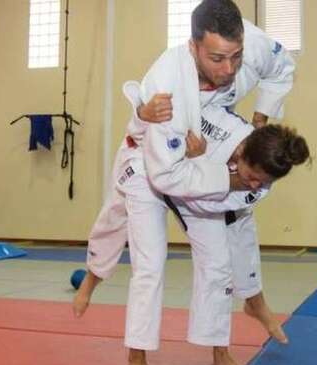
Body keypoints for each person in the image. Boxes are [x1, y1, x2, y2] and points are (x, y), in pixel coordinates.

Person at [74, 0, 295, 332]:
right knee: (115, 216)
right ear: (194, 47)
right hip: (149, 148)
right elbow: (159, 162)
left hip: (208, 131)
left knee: (237, 217)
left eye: (236, 57)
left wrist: (259, 120)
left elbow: (283, 68)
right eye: (217, 59)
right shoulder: (166, 80)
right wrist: (141, 116)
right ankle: (91, 278)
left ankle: (252, 299)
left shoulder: (253, 44)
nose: (229, 69)